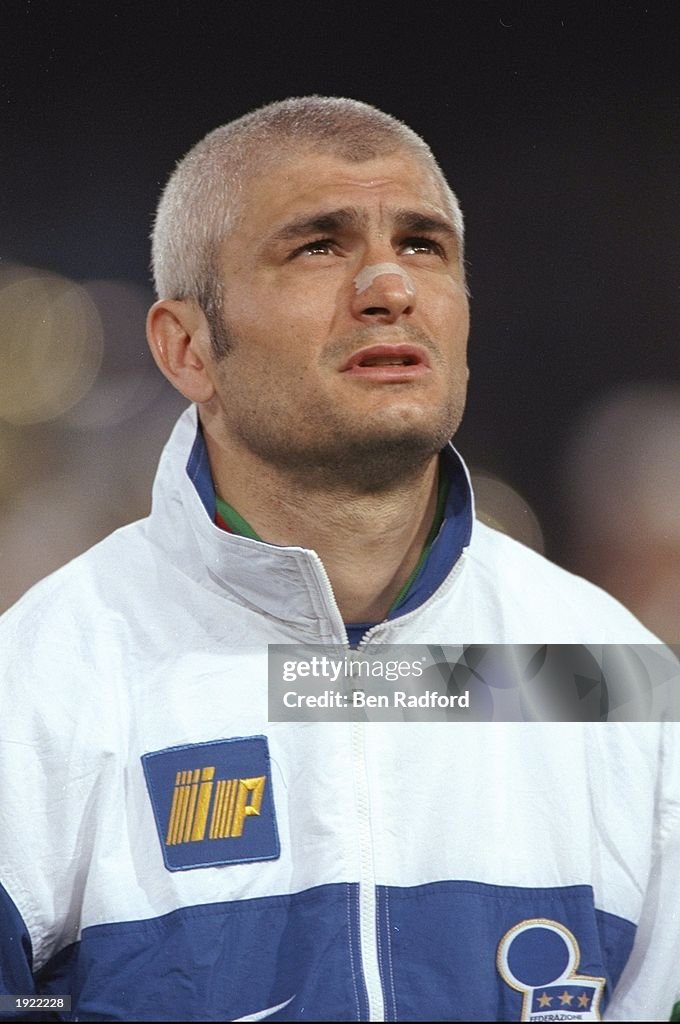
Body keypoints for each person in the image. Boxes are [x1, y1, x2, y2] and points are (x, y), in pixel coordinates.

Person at [0, 96, 677, 1023]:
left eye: (424, 245)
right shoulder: (40, 682)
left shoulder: (600, 669)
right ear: (186, 347)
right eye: (319, 246)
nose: (389, 286)